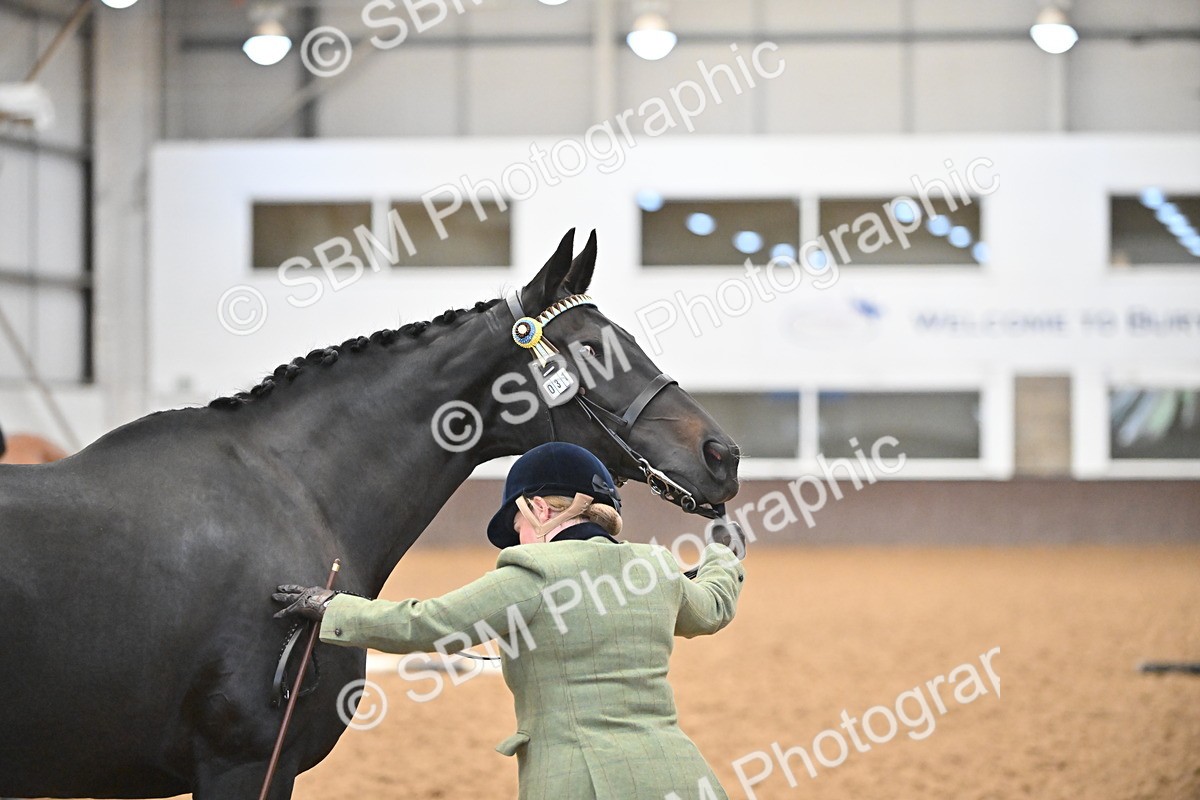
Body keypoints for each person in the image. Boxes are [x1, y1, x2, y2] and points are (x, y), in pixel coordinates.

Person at [273, 441, 746, 800]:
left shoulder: (532, 574)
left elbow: (426, 624)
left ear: (539, 509)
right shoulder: (658, 569)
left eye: (516, 523)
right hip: (685, 777)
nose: (514, 538)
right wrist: (724, 551)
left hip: (579, 783)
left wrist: (332, 607)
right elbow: (714, 606)